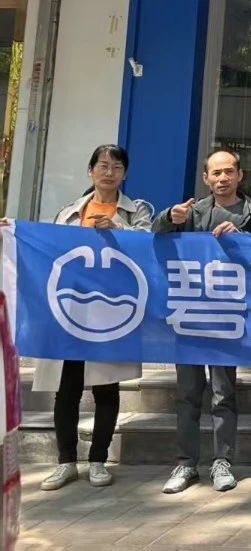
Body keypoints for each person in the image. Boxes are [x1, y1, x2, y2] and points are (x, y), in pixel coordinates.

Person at [36, 144, 154, 492]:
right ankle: (66, 461)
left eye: (116, 167)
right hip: (72, 307)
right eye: (102, 165)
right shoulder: (70, 211)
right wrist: (12, 233)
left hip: (113, 308)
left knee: (107, 385)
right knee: (67, 388)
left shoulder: (136, 210)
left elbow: (149, 245)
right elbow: (45, 247)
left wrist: (116, 227)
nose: (109, 172)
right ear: (90, 170)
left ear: (125, 174)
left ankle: (99, 460)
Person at [152, 149, 251, 494]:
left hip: (229, 317)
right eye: (215, 173)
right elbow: (156, 232)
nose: (222, 178)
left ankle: (222, 461)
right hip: (190, 316)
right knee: (187, 394)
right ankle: (186, 463)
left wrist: (243, 236)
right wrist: (168, 217)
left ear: (240, 175)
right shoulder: (192, 213)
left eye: (229, 171)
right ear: (206, 178)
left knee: (223, 393)